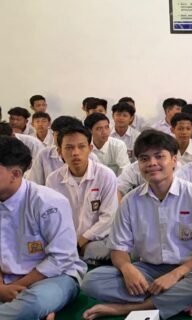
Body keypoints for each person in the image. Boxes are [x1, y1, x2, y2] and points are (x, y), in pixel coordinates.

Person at [80, 130, 192, 319]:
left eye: (159, 156)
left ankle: (130, 308)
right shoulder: (131, 201)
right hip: (147, 269)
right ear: (138, 164)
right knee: (91, 280)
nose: (152, 163)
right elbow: (118, 249)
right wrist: (127, 269)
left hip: (188, 269)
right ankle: (179, 300)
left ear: (173, 160)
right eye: (144, 158)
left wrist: (176, 275)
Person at [0, 136, 86, 319]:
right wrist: (1, 288)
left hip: (54, 277)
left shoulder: (48, 202)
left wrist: (17, 287)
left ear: (15, 174)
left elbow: (61, 258)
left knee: (33, 304)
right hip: (6, 278)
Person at [46, 124, 118, 264]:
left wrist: (81, 241)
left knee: (103, 248)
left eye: (81, 146)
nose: (75, 153)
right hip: (66, 240)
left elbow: (108, 218)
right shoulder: (53, 180)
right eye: (69, 148)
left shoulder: (105, 175)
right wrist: (69, 242)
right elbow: (53, 218)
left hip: (98, 238)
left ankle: (77, 256)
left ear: (90, 149)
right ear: (60, 151)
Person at [27, 116, 86, 185]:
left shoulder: (89, 156)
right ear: (53, 135)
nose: (62, 140)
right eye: (58, 135)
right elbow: (34, 183)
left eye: (66, 136)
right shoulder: (44, 154)